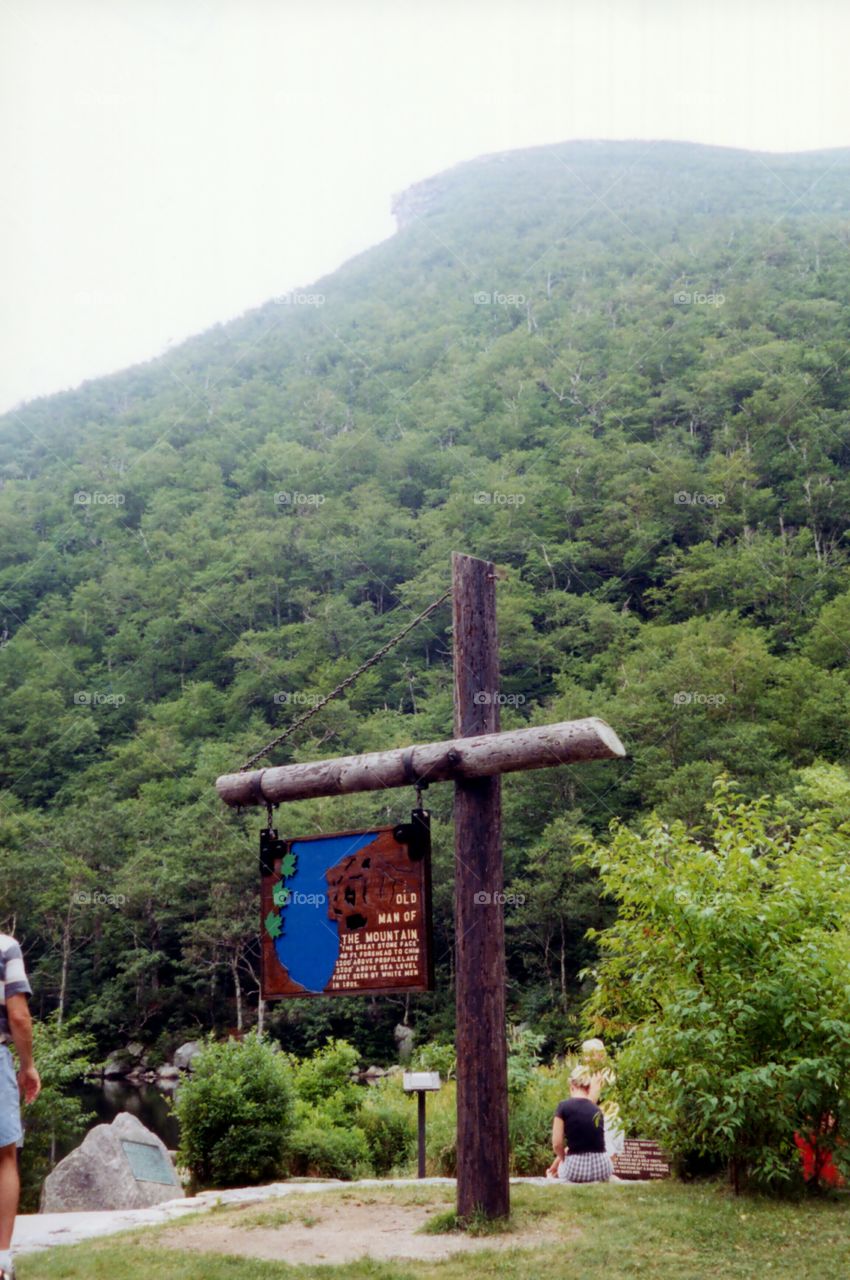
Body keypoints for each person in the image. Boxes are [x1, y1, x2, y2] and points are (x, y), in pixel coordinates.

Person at [0, 933, 40, 1280]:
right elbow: (19, 1017)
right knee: (4, 1157)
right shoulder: (5, 947)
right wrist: (27, 1066)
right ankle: (2, 1260)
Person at [548, 1066, 613, 1183]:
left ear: (571, 1086)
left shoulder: (563, 1107)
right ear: (588, 1088)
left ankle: (549, 1178)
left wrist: (563, 1160)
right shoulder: (597, 1109)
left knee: (560, 1169)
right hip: (603, 1168)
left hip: (576, 1170)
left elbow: (557, 1144)